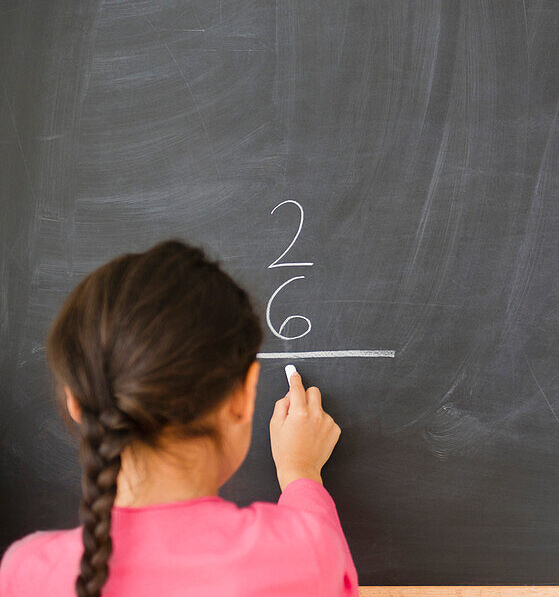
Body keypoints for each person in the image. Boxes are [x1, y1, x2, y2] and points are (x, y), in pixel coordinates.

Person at [0, 240, 357, 596]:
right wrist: (300, 471)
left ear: (77, 405)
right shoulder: (304, 557)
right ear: (243, 397)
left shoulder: (24, 574)